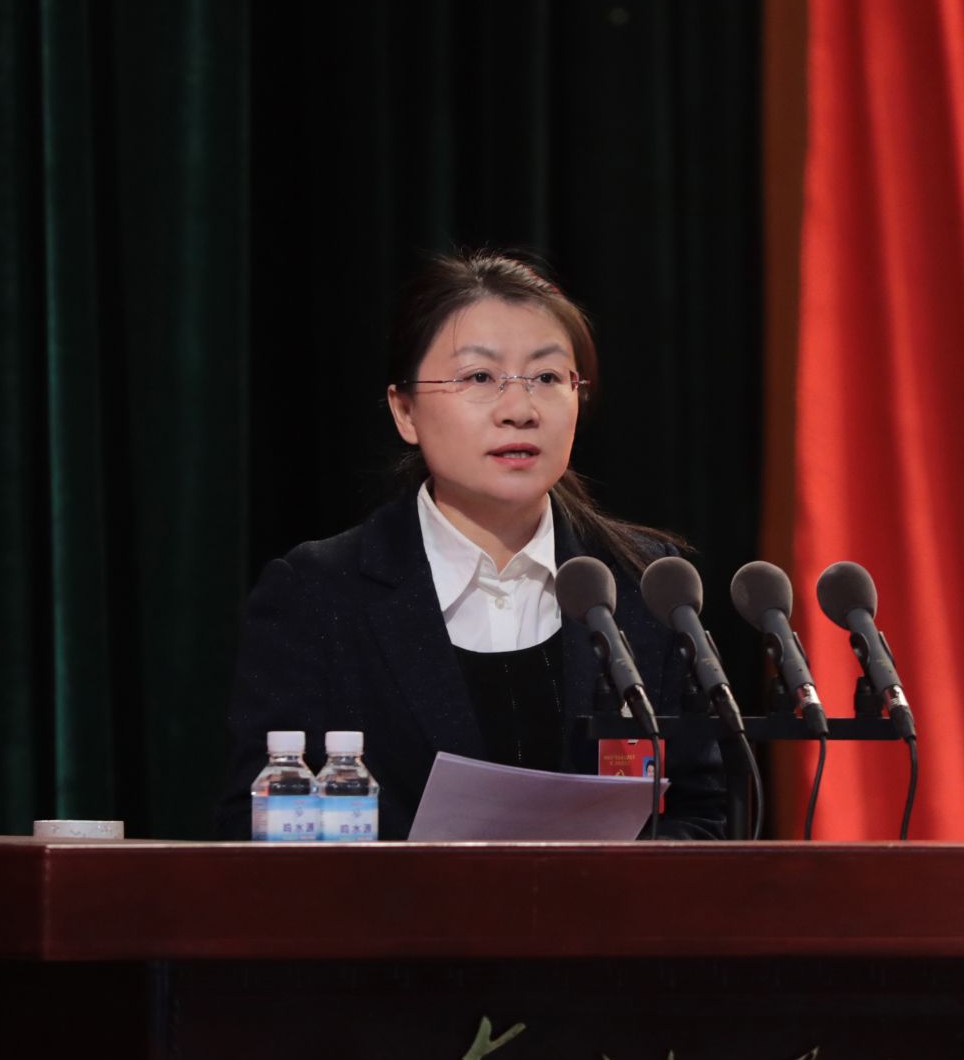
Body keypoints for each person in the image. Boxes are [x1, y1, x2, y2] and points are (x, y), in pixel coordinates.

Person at [214, 248, 725, 840]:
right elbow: (253, 828)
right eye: (479, 378)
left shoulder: (646, 585)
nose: (519, 410)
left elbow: (706, 817)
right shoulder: (319, 594)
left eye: (547, 378)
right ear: (405, 411)